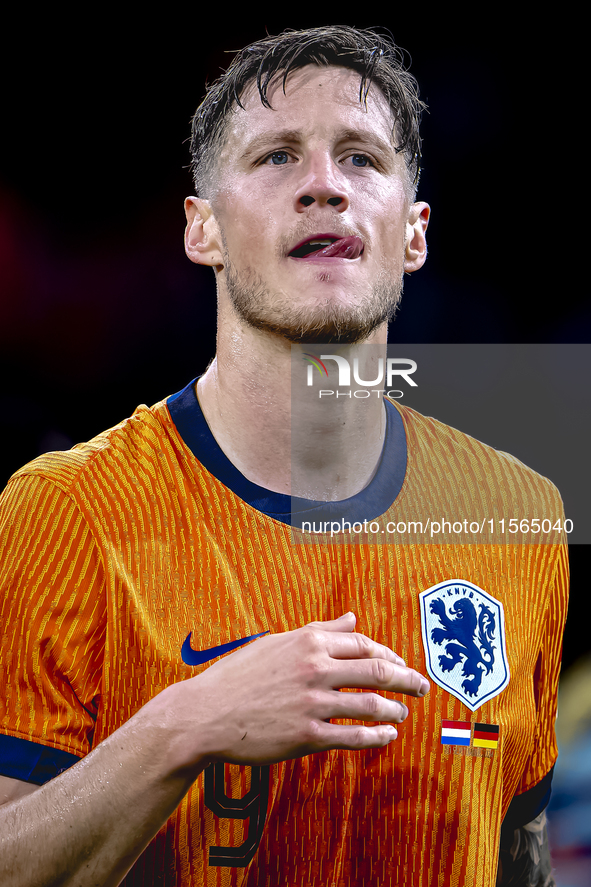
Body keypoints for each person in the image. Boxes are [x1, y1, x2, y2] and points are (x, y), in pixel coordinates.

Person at [0, 25, 568, 887]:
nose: (324, 187)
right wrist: (186, 723)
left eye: (362, 160)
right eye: (275, 157)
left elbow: (517, 853)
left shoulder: (518, 512)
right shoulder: (63, 511)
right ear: (203, 231)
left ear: (413, 236)